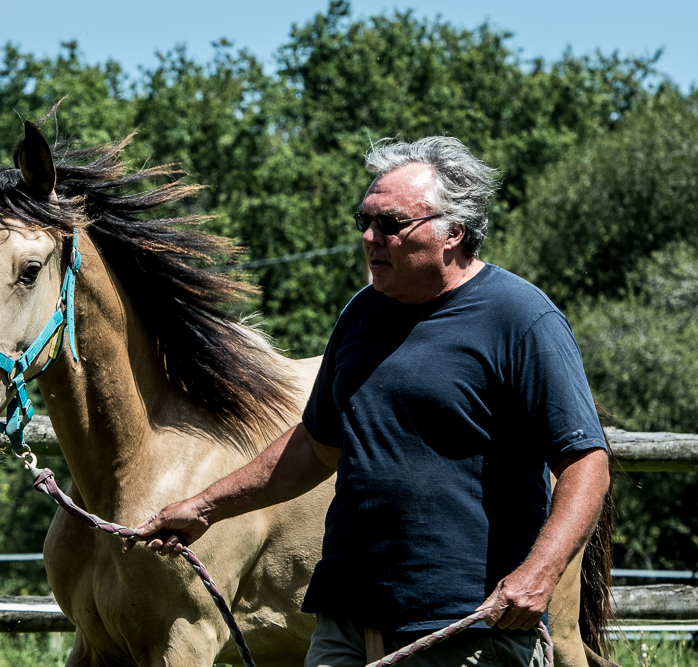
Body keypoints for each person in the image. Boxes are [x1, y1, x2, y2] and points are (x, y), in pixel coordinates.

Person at [123, 137, 610, 667]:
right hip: (346, 624)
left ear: (453, 231)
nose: (369, 237)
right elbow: (316, 445)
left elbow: (586, 462)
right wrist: (204, 508)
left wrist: (540, 572)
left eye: (390, 223)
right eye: (364, 220)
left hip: (468, 629)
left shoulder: (521, 318)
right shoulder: (361, 315)